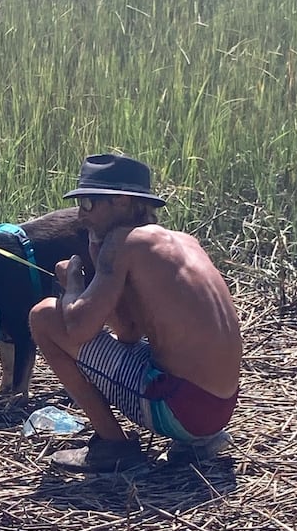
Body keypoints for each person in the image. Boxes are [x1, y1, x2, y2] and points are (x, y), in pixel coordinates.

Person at [29, 153, 242, 473]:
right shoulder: (181, 241)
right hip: (217, 409)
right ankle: (198, 442)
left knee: (44, 316)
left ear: (123, 201)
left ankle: (114, 446)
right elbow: (128, 332)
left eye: (88, 203)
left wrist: (72, 284)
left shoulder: (121, 242)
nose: (80, 216)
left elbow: (76, 329)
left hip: (180, 408)